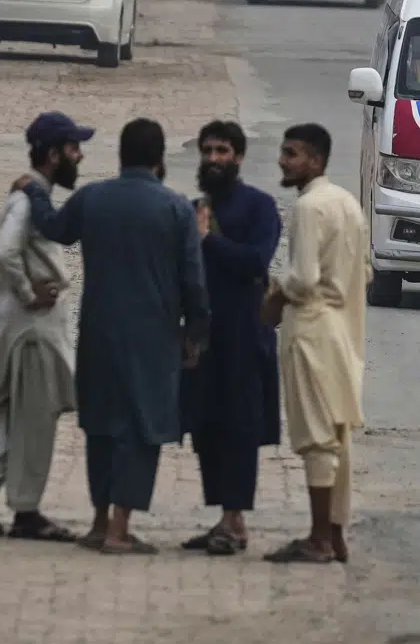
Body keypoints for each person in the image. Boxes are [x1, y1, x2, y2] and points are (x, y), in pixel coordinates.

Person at [12, 117, 210, 555]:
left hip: (99, 331)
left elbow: (54, 228)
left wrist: (33, 191)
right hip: (153, 337)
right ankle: (120, 530)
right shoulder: (176, 209)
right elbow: (193, 281)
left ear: (122, 156)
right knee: (141, 428)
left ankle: (99, 524)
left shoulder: (93, 198)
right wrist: (196, 333)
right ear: (159, 158)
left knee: (101, 423)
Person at [0, 112, 93, 543]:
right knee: (36, 421)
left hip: (35, 327)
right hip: (33, 330)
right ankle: (27, 512)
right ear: (54, 154)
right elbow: (4, 252)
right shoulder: (28, 200)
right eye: (73, 148)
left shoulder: (35, 195)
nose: (79, 157)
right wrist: (30, 294)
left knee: (21, 415)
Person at [262, 124, 369, 565]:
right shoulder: (347, 202)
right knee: (337, 434)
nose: (283, 161)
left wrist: (274, 292)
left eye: (293, 154)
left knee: (317, 436)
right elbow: (364, 272)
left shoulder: (309, 206)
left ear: (316, 161)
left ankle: (320, 538)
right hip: (342, 329)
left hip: (311, 328)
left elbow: (304, 279)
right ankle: (335, 535)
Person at [179, 121, 283, 556]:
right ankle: (227, 519)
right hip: (204, 337)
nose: (213, 158)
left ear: (238, 157)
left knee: (240, 426)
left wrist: (208, 240)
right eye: (207, 150)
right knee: (205, 425)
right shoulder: (193, 209)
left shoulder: (260, 207)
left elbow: (256, 261)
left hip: (244, 334)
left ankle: (232, 518)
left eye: (222, 151)